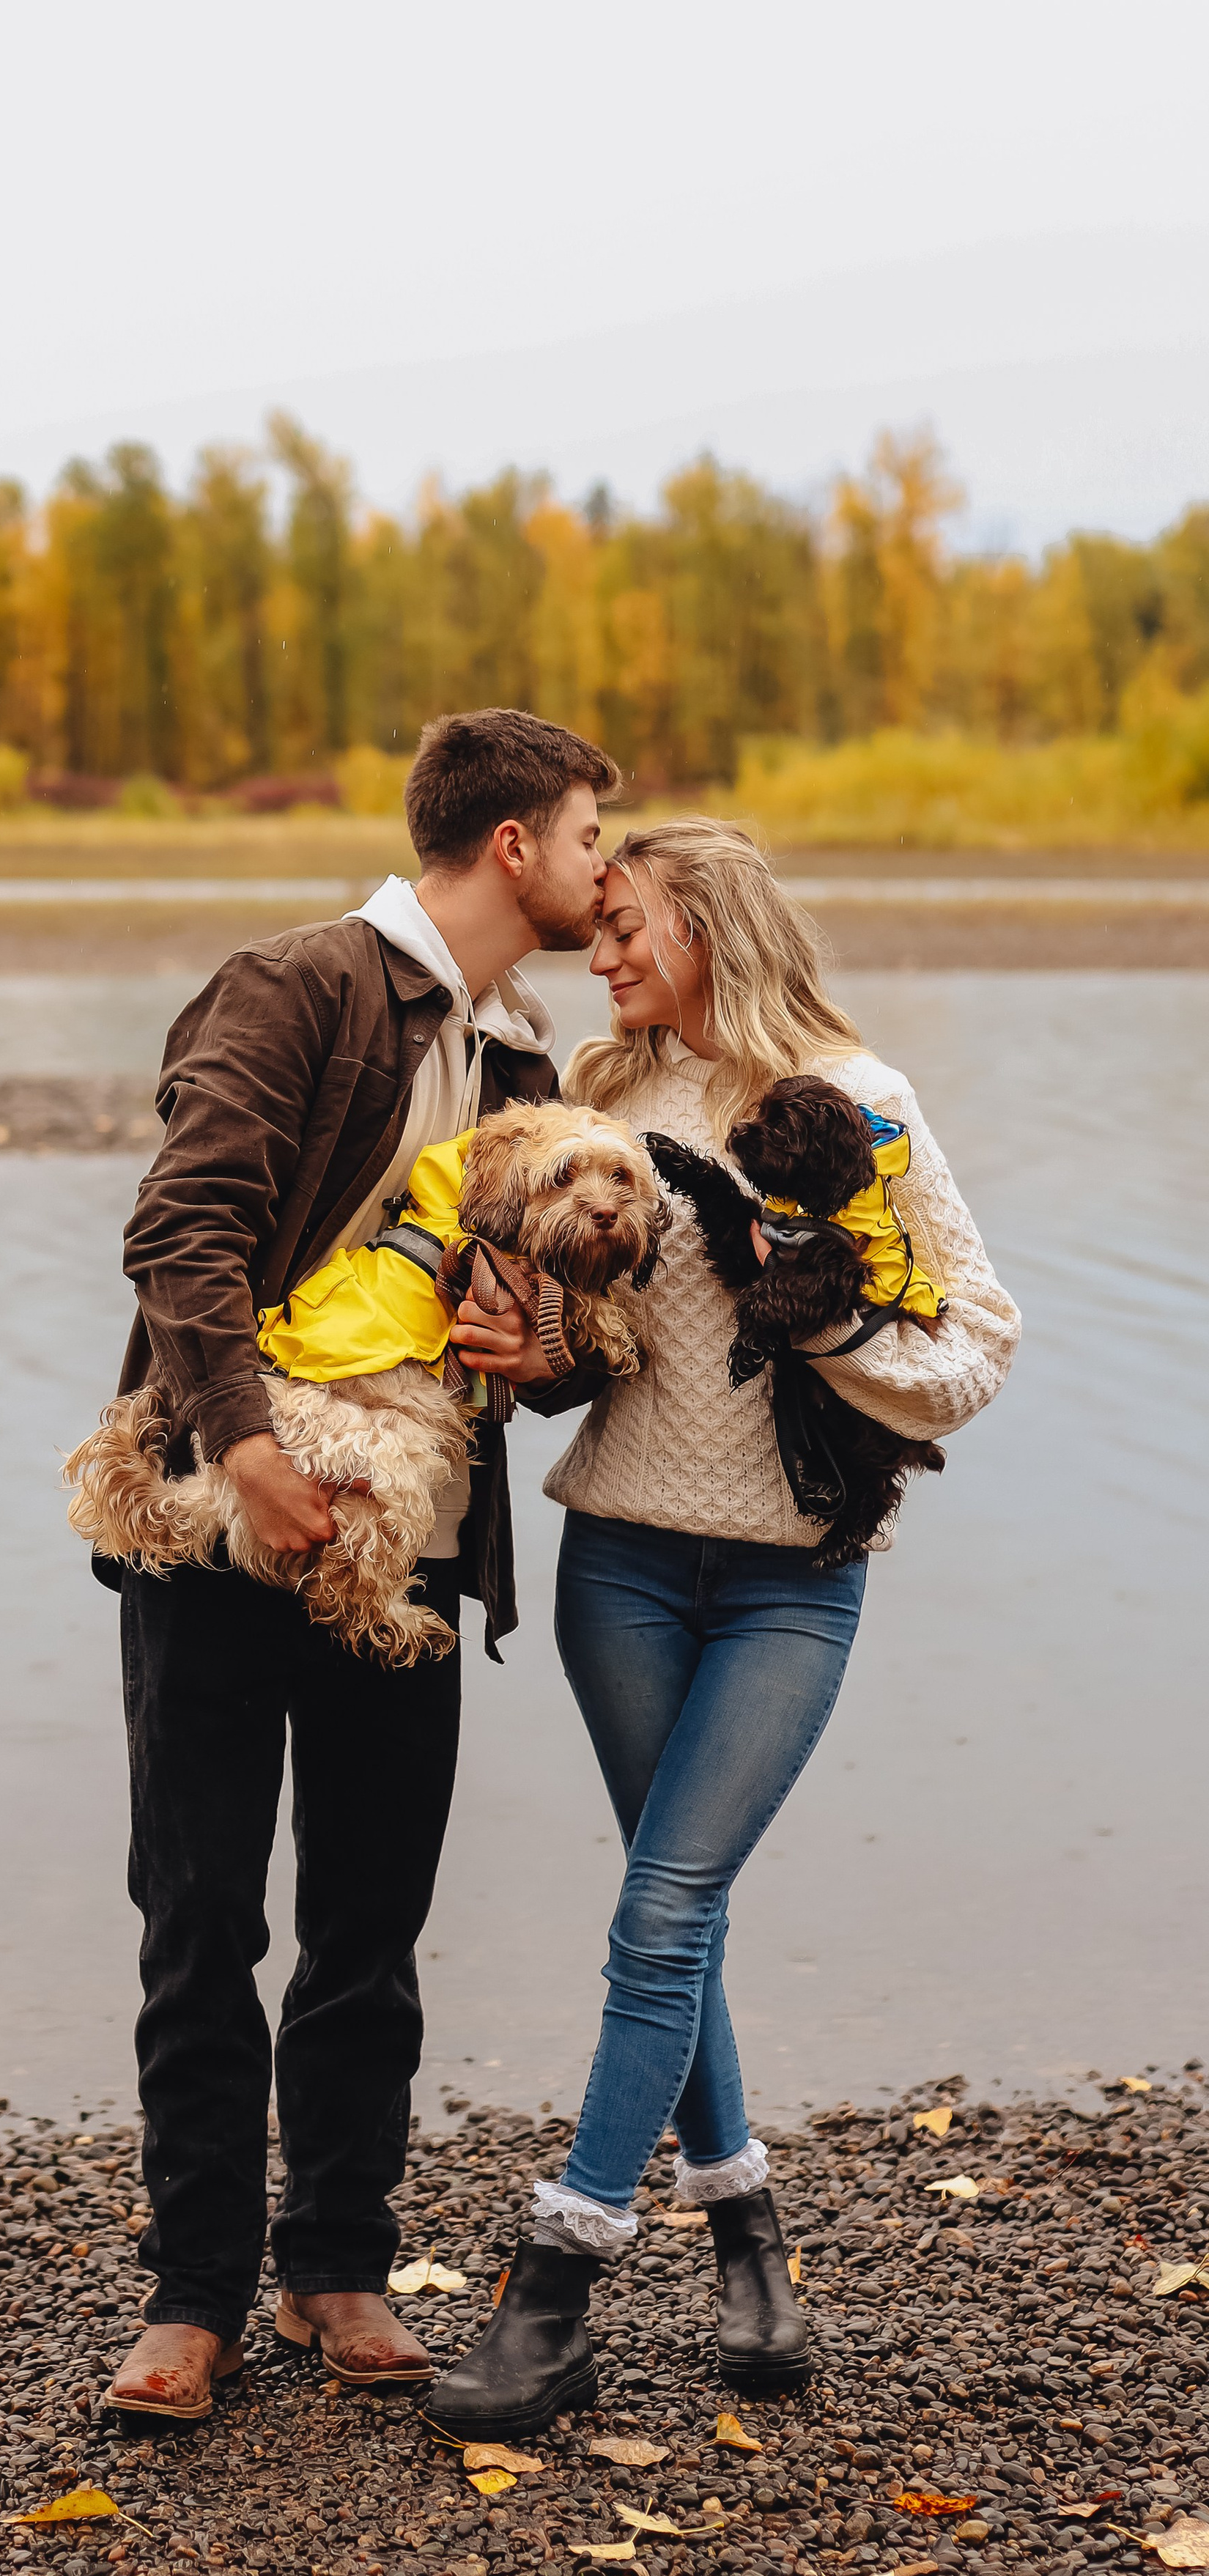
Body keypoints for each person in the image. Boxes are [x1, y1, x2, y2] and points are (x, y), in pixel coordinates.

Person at [424, 816, 1021, 2439]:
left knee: (664, 1907)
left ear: (711, 924)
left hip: (786, 1580)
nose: (597, 952)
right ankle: (749, 2242)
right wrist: (519, 1342)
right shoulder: (603, 1100)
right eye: (593, 927)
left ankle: (555, 2289)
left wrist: (822, 1316)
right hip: (616, 1561)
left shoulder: (852, 1101)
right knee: (665, 1917)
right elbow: (580, 1346)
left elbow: (973, 1342)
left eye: (623, 925)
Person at [100, 709, 618, 2425]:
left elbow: (560, 1347)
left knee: (370, 1923)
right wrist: (244, 1453)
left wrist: (532, 1346)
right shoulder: (298, 986)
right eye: (591, 838)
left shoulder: (527, 1072)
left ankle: (333, 2263)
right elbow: (181, 1227)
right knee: (199, 1914)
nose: (607, 873)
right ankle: (190, 2302)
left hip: (414, 1541)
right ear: (512, 847)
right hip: (225, 1523)